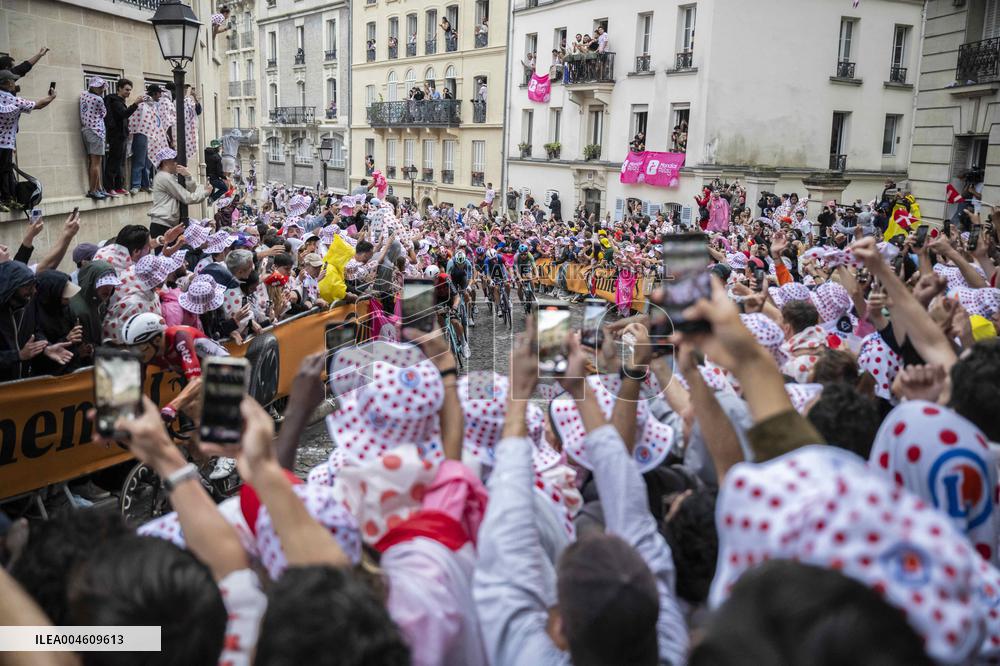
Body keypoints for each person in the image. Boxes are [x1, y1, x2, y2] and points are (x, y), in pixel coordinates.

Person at [0, 70, 55, 212]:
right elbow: (39, 104)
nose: (14, 83)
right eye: (13, 81)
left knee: (5, 172)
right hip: (6, 143)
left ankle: (7, 199)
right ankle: (6, 199)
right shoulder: (14, 100)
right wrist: (52, 96)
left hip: (6, 144)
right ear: (7, 83)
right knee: (5, 171)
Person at [148, 147, 212, 237]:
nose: (176, 163)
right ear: (165, 162)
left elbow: (190, 190)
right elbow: (187, 197)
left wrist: (188, 176)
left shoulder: (169, 177)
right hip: (163, 225)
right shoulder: (164, 177)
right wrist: (205, 193)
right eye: (174, 160)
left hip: (166, 223)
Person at [103, 78, 138, 197]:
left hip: (122, 135)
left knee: (120, 162)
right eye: (127, 89)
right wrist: (135, 104)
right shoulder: (115, 101)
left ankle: (118, 187)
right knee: (113, 161)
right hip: (116, 135)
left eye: (130, 90)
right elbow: (124, 114)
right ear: (119, 88)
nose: (129, 92)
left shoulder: (120, 101)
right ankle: (109, 187)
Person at [127, 85, 164, 194]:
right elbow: (134, 118)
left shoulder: (154, 106)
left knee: (148, 161)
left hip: (151, 135)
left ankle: (145, 184)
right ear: (155, 93)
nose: (160, 96)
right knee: (139, 160)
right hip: (141, 133)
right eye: (159, 93)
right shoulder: (142, 104)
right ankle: (136, 184)